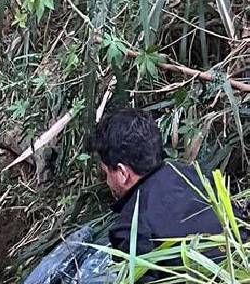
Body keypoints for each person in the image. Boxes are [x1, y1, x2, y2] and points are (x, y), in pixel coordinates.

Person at [90, 108, 226, 264]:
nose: (107, 181)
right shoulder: (194, 175)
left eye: (106, 172)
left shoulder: (131, 231)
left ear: (122, 172)